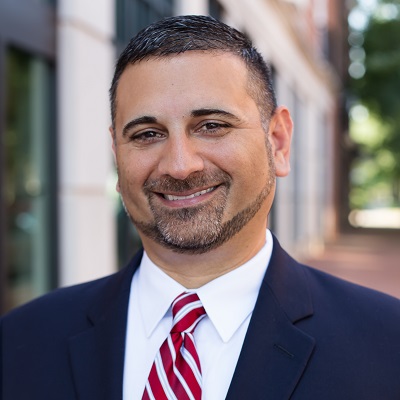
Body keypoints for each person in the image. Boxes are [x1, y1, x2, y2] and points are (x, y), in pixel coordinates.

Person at [1, 15, 400, 400]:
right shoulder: (19, 342)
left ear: (277, 142)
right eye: (147, 134)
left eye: (212, 126)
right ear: (117, 157)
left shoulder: (387, 346)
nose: (179, 165)